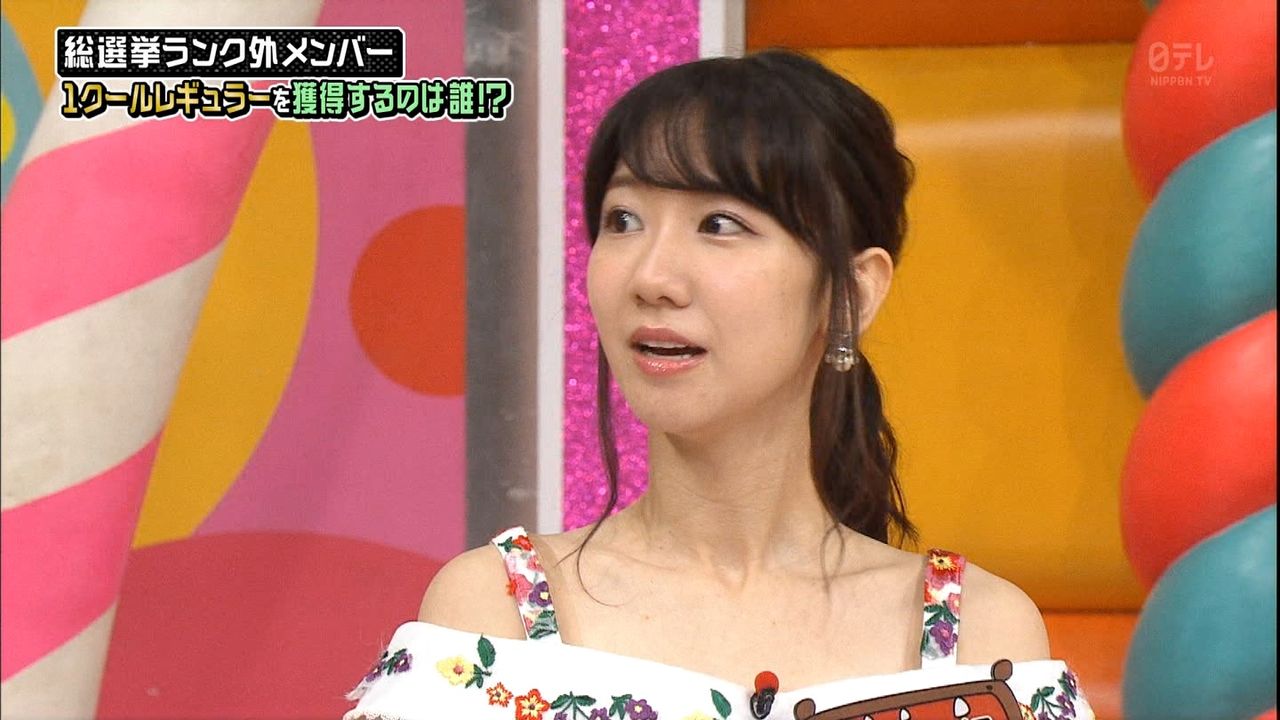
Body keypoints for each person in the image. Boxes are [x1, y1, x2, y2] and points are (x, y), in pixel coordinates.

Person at [345, 49, 1094, 720]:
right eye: (623, 219)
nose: (652, 276)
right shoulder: (494, 617)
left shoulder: (979, 641)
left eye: (719, 224)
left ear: (850, 294)